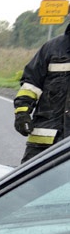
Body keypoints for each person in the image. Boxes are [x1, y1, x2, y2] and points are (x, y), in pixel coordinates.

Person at [14, 24, 70, 163]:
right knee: (28, 183)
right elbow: (31, 84)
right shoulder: (52, 48)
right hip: (45, 143)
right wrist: (22, 113)